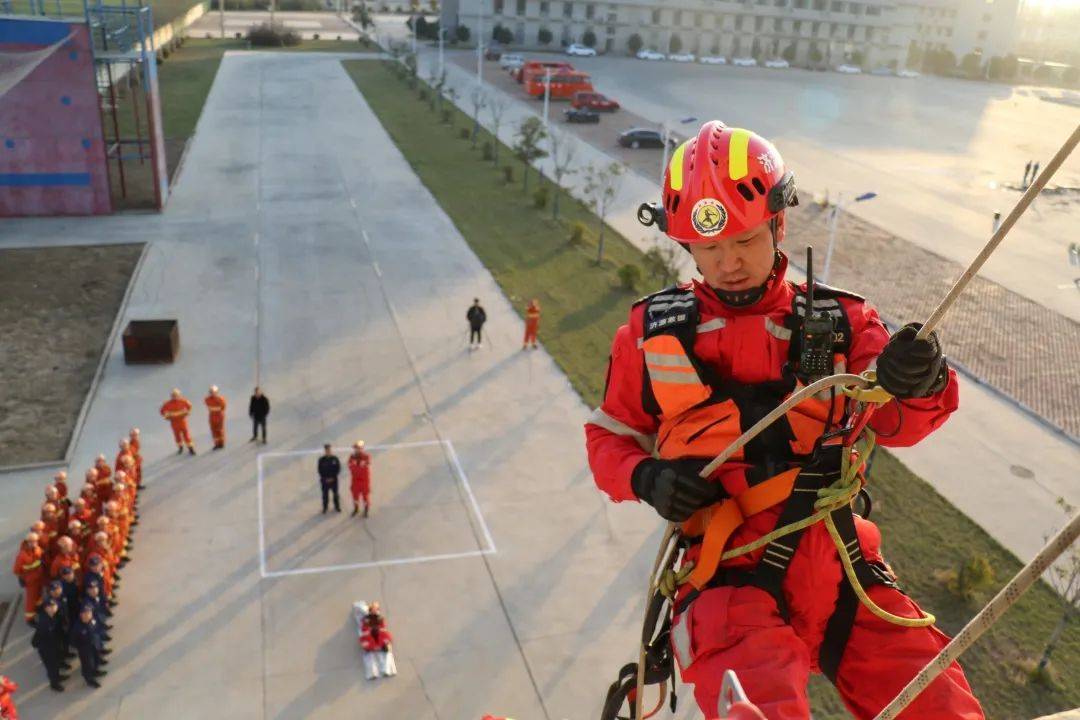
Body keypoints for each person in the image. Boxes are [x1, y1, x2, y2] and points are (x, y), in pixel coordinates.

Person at [585, 122, 983, 719]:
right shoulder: (650, 337)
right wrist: (645, 478)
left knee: (939, 703)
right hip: (726, 580)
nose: (729, 263)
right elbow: (609, 438)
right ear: (687, 249)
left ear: (778, 225)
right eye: (709, 248)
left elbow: (908, 421)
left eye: (744, 240)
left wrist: (922, 379)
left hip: (844, 567)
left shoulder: (843, 324)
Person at [31, 597, 67, 692]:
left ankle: (58, 677)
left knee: (56, 664)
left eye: (54, 606)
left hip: (54, 646)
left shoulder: (54, 616)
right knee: (52, 667)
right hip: (47, 650)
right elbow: (35, 641)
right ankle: (54, 684)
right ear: (46, 608)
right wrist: (43, 648)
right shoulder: (44, 622)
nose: (53, 608)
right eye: (50, 607)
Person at [69, 604, 106, 688]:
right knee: (87, 665)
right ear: (81, 615)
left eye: (89, 612)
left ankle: (95, 671)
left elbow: (97, 630)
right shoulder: (77, 627)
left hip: (95, 646)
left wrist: (98, 642)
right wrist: (82, 648)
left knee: (96, 660)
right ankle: (89, 679)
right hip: (85, 650)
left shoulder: (93, 620)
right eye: (85, 613)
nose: (87, 615)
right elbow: (73, 641)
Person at [12, 532, 45, 624]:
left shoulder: (38, 549)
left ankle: (39, 607)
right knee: (31, 600)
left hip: (38, 577)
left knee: (38, 594)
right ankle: (30, 619)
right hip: (30, 580)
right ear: (28, 542)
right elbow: (16, 570)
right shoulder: (22, 555)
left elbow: (40, 560)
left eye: (35, 541)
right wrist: (22, 578)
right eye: (32, 542)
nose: (34, 543)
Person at [160, 388, 196, 455]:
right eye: (173, 395)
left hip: (182, 421)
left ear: (179, 395)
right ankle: (180, 447)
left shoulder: (184, 401)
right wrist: (167, 416)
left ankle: (191, 448)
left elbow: (189, 406)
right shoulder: (167, 404)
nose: (175, 397)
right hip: (174, 422)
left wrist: (187, 412)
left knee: (186, 435)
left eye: (176, 395)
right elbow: (162, 411)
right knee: (177, 435)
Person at [348, 440, 372, 517]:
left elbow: (365, 466)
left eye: (358, 448)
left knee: (365, 497)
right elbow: (351, 467)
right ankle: (356, 508)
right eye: (355, 448)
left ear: (362, 448)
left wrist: (356, 466)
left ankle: (366, 510)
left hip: (364, 481)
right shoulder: (352, 457)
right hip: (355, 481)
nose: (356, 450)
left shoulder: (366, 457)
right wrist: (359, 466)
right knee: (355, 497)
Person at [317, 444, 342, 514]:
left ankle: (337, 507)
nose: (328, 451)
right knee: (325, 495)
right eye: (326, 450)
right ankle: (325, 508)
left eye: (329, 450)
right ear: (325, 451)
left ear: (331, 450)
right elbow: (319, 470)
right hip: (324, 481)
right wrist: (325, 478)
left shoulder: (335, 459)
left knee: (335, 494)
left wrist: (332, 478)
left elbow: (338, 469)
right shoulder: (321, 460)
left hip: (334, 481)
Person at [205, 385, 227, 450]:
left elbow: (223, 407)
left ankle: (221, 443)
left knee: (220, 429)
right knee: (213, 430)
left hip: (219, 416)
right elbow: (208, 405)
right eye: (211, 392)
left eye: (214, 392)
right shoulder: (207, 399)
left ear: (217, 392)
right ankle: (216, 444)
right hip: (212, 416)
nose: (212, 393)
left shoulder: (221, 399)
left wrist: (217, 410)